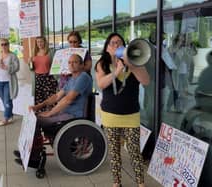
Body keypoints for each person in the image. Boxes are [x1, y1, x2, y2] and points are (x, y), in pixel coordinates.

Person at [14, 54, 92, 167]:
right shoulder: (72, 79)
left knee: (37, 120)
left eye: (75, 62)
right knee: (33, 116)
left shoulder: (83, 77)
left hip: (74, 115)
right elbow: (56, 97)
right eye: (69, 62)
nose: (71, 64)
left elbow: (68, 100)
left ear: (81, 65)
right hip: (66, 113)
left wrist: (50, 113)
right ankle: (27, 152)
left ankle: (34, 158)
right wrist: (39, 106)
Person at [94, 32, 150, 187]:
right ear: (106, 48)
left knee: (134, 152)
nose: (116, 45)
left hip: (131, 115)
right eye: (112, 43)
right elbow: (102, 84)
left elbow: (145, 81)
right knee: (114, 152)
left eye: (119, 42)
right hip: (110, 115)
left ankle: (140, 183)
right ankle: (116, 182)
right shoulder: (102, 64)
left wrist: (131, 64)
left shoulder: (135, 62)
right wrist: (117, 70)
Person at [0, 38, 20, 127]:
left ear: (8, 45)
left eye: (5, 44)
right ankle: (10, 115)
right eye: (2, 44)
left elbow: (17, 67)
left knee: (7, 100)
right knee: (5, 101)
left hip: (9, 82)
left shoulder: (13, 56)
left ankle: (5, 118)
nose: (4, 46)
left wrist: (6, 67)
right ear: (0, 46)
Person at [30, 36, 57, 111]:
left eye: (41, 41)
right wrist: (30, 63)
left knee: (50, 98)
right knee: (39, 98)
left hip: (48, 77)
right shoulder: (34, 52)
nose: (39, 43)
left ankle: (52, 113)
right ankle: (41, 115)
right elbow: (31, 68)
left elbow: (55, 64)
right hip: (38, 78)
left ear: (45, 42)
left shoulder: (50, 52)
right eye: (38, 42)